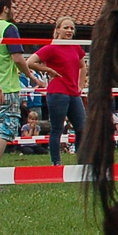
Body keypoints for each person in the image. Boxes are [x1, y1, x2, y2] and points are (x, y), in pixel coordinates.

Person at [0, 0, 51, 166]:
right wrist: (31, 76)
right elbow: (17, 58)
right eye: (14, 7)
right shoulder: (9, 28)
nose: (15, 11)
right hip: (7, 87)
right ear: (6, 8)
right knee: (6, 130)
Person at [33, 15, 88, 166]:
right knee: (57, 129)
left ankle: (81, 161)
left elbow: (83, 66)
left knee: (82, 127)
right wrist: (47, 69)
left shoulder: (76, 47)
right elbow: (30, 62)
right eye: (66, 27)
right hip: (57, 93)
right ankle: (56, 162)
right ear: (58, 30)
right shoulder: (51, 48)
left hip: (73, 93)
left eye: (71, 28)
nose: (69, 31)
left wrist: (81, 85)